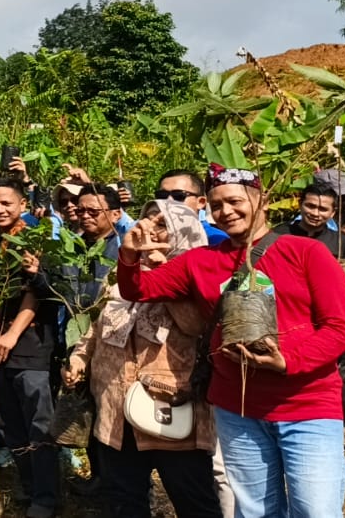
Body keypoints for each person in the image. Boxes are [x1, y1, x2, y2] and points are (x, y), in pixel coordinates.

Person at [117, 164, 345, 518]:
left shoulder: (307, 252)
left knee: (315, 510)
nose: (225, 211)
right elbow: (138, 289)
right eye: (216, 205)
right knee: (255, 510)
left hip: (307, 405)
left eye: (234, 201)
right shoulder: (201, 261)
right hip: (238, 408)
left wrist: (288, 361)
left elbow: (339, 328)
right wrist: (129, 256)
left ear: (263, 201)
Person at [64, 199, 221, 518]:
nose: (149, 228)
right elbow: (97, 324)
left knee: (193, 500)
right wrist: (79, 357)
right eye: (147, 221)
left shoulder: (199, 273)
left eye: (161, 224)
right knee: (124, 500)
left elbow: (195, 324)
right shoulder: (121, 273)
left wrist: (164, 270)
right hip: (115, 408)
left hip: (170, 407)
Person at [0, 176, 62, 518]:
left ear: (22, 204)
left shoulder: (38, 241)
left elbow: (39, 292)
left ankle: (46, 496)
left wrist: (12, 335)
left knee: (38, 423)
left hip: (30, 347)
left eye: (6, 202)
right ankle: (28, 485)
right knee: (10, 424)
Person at [271, 181, 345, 455]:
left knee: (341, 375)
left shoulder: (341, 243)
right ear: (300, 205)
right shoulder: (278, 236)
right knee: (282, 374)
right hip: (287, 321)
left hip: (329, 322)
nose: (315, 213)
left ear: (333, 213)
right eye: (310, 206)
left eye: (323, 209)